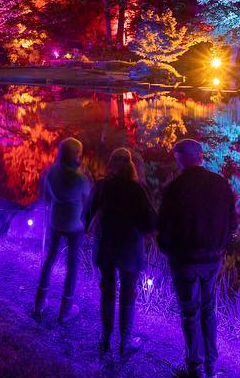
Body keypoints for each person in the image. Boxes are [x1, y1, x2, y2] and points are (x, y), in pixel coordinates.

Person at [158, 139, 237, 378]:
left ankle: (196, 370)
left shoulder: (174, 188)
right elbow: (232, 223)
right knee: (208, 310)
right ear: (201, 157)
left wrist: (169, 250)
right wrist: (220, 247)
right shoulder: (220, 184)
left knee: (190, 312)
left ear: (179, 159)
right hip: (211, 258)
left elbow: (163, 228)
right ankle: (211, 368)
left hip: (183, 260)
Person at [84, 147, 155, 356]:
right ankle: (125, 341)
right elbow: (149, 222)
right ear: (133, 166)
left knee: (107, 290)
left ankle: (104, 339)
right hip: (130, 247)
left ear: (110, 164)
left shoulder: (102, 187)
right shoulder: (137, 190)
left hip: (106, 244)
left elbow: (87, 215)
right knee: (128, 293)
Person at [34, 137, 91, 323]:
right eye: (79, 154)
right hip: (75, 225)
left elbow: (47, 198)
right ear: (75, 155)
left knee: (50, 258)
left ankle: (40, 303)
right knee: (72, 265)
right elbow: (87, 203)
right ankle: (65, 309)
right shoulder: (80, 179)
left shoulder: (51, 172)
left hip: (56, 221)